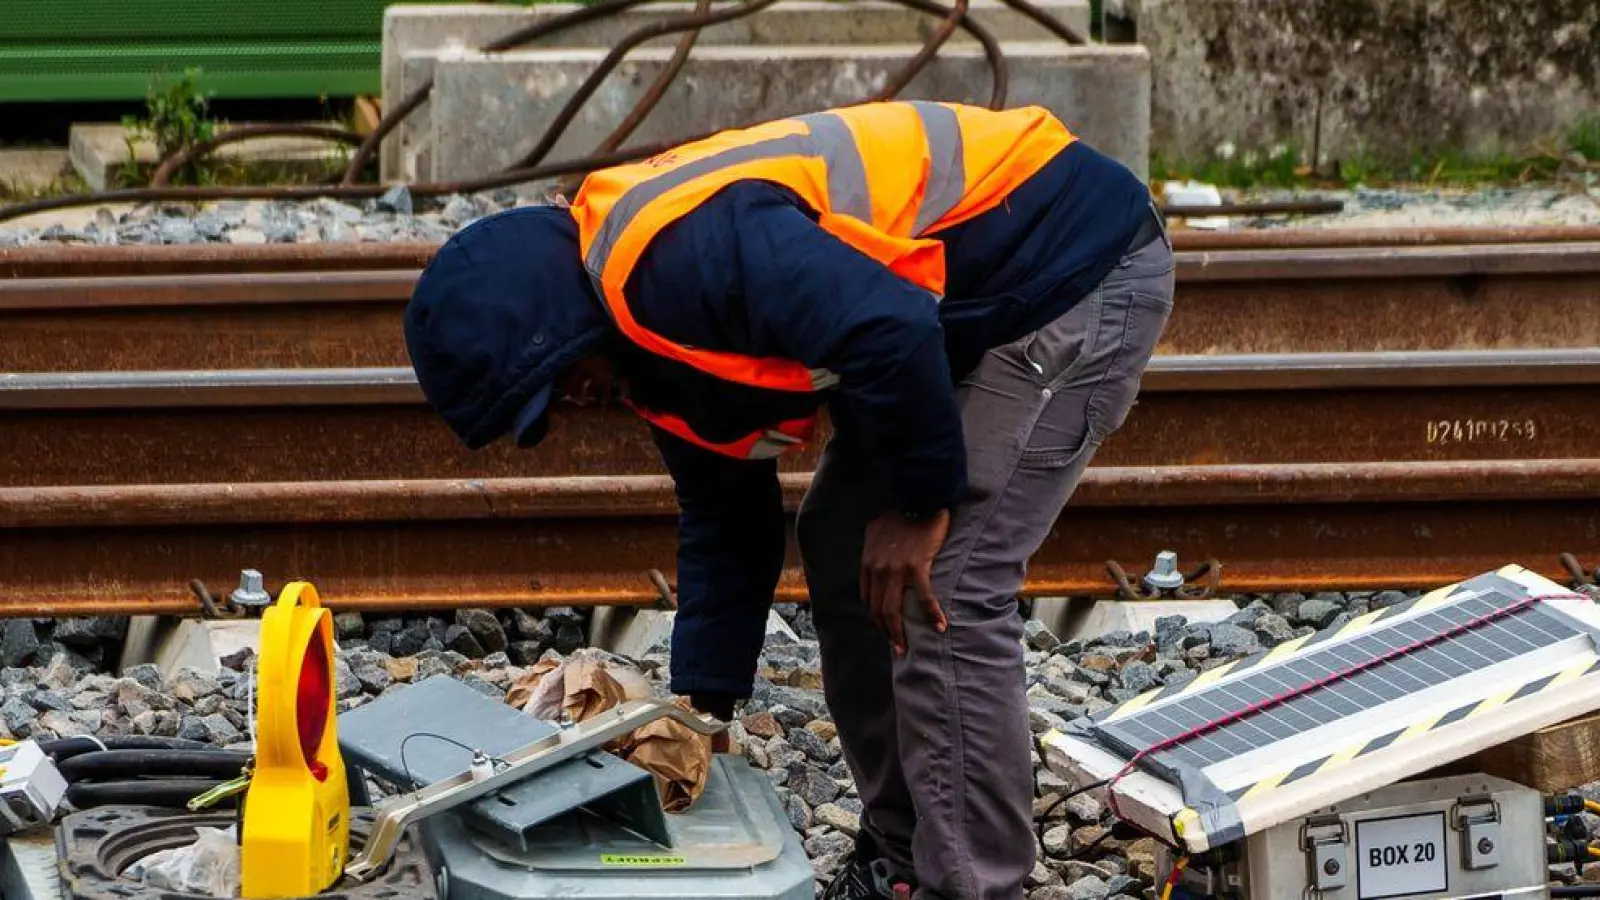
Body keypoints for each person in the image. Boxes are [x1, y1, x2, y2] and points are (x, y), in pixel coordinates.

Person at [403, 99, 1174, 900]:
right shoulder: (641, 338)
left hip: (1075, 269)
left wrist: (918, 507)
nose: (572, 404)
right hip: (967, 306)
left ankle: (974, 885)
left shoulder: (679, 261)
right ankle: (902, 862)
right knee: (842, 536)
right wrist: (702, 710)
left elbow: (891, 327)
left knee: (941, 581)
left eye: (556, 387)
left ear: (554, 326)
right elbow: (726, 516)